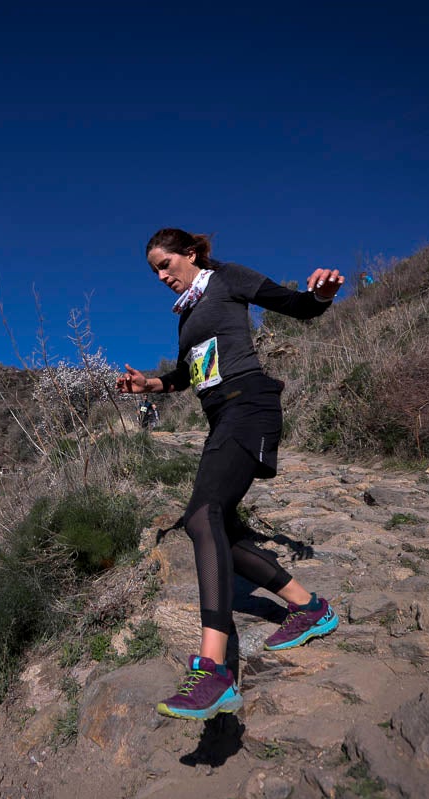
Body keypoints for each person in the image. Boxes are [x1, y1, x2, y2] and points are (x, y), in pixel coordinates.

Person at [116, 228, 344, 722]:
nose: (160, 276)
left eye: (164, 264)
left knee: (202, 516)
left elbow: (296, 306)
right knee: (222, 528)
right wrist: (149, 384)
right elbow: (186, 375)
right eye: (154, 271)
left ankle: (213, 671)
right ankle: (309, 608)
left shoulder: (228, 278)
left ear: (190, 254)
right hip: (222, 417)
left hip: (249, 405)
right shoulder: (188, 315)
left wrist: (321, 295)